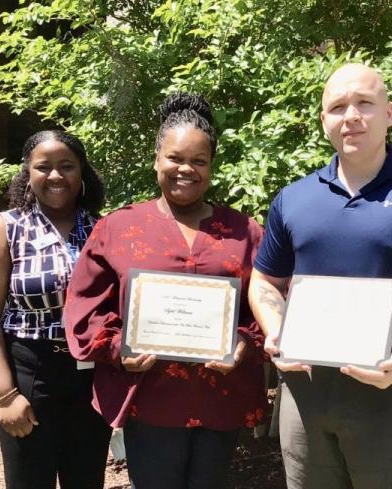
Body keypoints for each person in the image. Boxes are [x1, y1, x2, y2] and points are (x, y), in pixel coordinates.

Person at [248, 63, 392, 489]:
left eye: (364, 103)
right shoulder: (294, 198)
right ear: (324, 121)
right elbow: (265, 281)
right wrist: (277, 330)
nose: (351, 116)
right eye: (337, 107)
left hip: (389, 396)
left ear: (389, 113)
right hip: (305, 398)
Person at [63, 92, 269, 489]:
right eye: (175, 158)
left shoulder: (246, 232)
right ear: (157, 159)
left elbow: (268, 301)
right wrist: (118, 345)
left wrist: (245, 342)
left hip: (221, 397)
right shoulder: (119, 229)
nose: (185, 169)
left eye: (198, 161)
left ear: (211, 167)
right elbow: (85, 305)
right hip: (150, 398)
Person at [0, 130, 111, 489]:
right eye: (44, 166)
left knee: (86, 480)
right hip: (29, 371)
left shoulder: (104, 230)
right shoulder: (5, 228)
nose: (56, 175)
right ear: (28, 173)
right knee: (28, 481)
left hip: (89, 378)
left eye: (67, 166)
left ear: (83, 173)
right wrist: (5, 394)